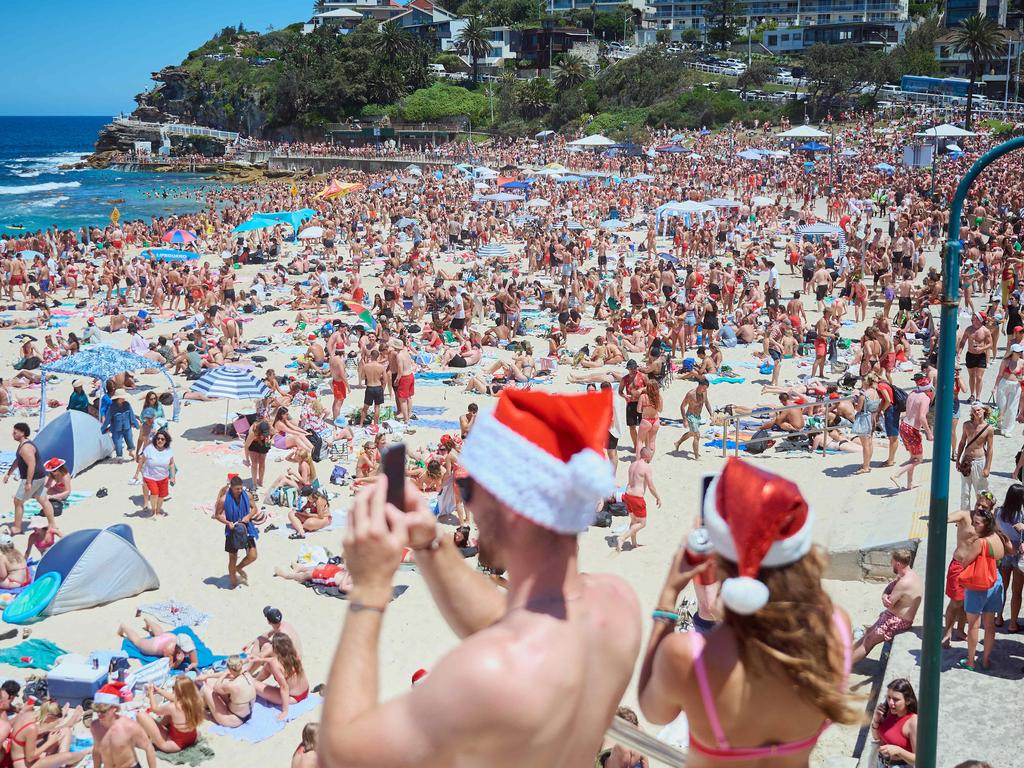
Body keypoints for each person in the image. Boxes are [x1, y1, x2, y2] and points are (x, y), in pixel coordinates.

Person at [319, 389, 642, 768]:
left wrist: (370, 588)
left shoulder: (488, 672)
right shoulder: (616, 603)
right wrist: (429, 544)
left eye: (471, 489)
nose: (467, 504)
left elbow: (341, 754)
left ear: (509, 507)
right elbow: (512, 620)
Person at [638, 459, 858, 763]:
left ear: (718, 551)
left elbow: (653, 711)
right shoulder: (837, 628)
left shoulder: (688, 656)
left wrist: (668, 595)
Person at [951, 503, 1007, 671]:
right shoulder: (998, 537)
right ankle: (986, 660)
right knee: (990, 625)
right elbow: (1005, 553)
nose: (973, 526)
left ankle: (970, 661)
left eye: (977, 523)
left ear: (986, 525)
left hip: (978, 585)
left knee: (974, 625)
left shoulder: (979, 542)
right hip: (995, 581)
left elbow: (966, 560)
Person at [851, 548, 922, 663]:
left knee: (868, 641)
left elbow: (888, 604)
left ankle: (841, 669)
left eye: (892, 561)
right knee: (868, 632)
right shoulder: (909, 575)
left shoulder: (903, 583)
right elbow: (890, 589)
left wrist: (884, 596)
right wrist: (885, 594)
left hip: (897, 621)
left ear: (898, 564)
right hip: (893, 617)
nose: (890, 564)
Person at [4, 422, 56, 535]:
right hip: (40, 476)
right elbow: (18, 460)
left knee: (18, 501)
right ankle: (52, 525)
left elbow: (31, 465)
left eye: (15, 432)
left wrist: (28, 482)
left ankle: (17, 528)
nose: (13, 434)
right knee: (43, 500)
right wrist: (9, 473)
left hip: (34, 478)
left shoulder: (26, 448)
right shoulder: (23, 445)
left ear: (22, 433)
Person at [90, 686, 156, 768]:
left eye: (103, 711)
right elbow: (96, 751)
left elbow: (149, 748)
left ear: (114, 708)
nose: (99, 715)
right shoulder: (95, 726)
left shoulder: (130, 727)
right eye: (97, 711)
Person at [250, 633, 309, 721]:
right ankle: (258, 681)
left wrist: (285, 711)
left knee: (252, 683)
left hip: (293, 697)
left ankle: (256, 683)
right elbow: (273, 661)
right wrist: (261, 659)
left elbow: (284, 687)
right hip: (305, 691)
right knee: (267, 666)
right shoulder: (294, 654)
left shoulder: (275, 663)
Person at [137, 677, 204, 753]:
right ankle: (160, 727)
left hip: (174, 745)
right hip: (193, 738)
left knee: (141, 715)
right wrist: (159, 690)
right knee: (171, 710)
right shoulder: (196, 700)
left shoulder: (172, 707)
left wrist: (151, 694)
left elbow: (155, 710)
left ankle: (147, 735)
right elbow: (175, 698)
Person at [891, 375, 933, 492]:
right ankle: (897, 475)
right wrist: (929, 433)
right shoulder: (925, 398)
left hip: (904, 425)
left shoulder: (912, 393)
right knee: (918, 459)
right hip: (912, 429)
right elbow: (922, 417)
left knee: (913, 457)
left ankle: (910, 483)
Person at [216, 476, 259, 588]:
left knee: (253, 555)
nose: (240, 491)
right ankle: (233, 582)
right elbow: (217, 515)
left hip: (246, 528)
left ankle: (239, 568)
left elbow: (255, 509)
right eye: (237, 489)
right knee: (232, 557)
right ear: (231, 487)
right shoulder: (223, 500)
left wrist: (248, 516)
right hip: (232, 530)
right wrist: (227, 522)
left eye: (241, 488)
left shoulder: (247, 495)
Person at [616, 447, 661, 552]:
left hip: (627, 495)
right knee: (642, 523)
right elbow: (651, 486)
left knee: (634, 521)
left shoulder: (632, 465)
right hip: (636, 497)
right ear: (648, 456)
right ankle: (622, 538)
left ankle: (634, 543)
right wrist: (658, 497)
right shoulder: (646, 467)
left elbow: (630, 482)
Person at [995, 483, 1024, 632]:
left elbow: (995, 529)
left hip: (1005, 551)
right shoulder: (1022, 515)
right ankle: (1013, 623)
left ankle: (998, 617)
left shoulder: (998, 512)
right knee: (1017, 591)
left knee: (1002, 588)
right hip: (1019, 555)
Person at [117, 619, 198, 672]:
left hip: (169, 637)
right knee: (138, 642)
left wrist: (193, 664)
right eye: (185, 651)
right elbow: (170, 666)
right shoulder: (169, 650)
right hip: (157, 645)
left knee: (160, 633)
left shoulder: (188, 644)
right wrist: (178, 661)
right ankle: (124, 627)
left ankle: (148, 621)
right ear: (178, 647)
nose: (187, 653)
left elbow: (193, 656)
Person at [197, 656, 256, 728]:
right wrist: (207, 676)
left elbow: (216, 687)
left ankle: (200, 707)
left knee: (205, 688)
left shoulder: (233, 685)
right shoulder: (246, 674)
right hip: (246, 714)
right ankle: (208, 705)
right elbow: (230, 675)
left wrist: (224, 674)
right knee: (214, 682)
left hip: (233, 720)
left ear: (229, 668)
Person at [870, 678, 918, 767]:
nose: (891, 703)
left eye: (896, 699)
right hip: (881, 763)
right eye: (888, 697)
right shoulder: (889, 712)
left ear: (907, 701)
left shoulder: (913, 722)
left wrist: (898, 751)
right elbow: (876, 737)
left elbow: (918, 760)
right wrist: (876, 720)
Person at [955, 402, 993, 510]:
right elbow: (962, 442)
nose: (976, 412)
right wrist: (958, 460)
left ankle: (982, 514)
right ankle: (965, 515)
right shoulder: (967, 425)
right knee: (965, 491)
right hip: (966, 460)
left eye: (978, 410)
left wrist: (987, 468)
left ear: (984, 410)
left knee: (981, 491)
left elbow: (990, 449)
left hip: (979, 461)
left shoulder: (988, 429)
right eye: (974, 410)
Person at [132, 430, 176, 519]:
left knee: (162, 495)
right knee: (155, 493)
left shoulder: (168, 450)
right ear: (155, 439)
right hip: (150, 476)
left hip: (163, 477)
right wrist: (136, 474)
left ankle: (158, 511)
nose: (160, 440)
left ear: (166, 441)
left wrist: (173, 477)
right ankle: (153, 511)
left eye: (162, 439)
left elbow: (171, 464)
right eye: (158, 438)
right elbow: (141, 461)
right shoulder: (149, 449)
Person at [673, 378, 712, 459]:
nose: (704, 390)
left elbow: (707, 402)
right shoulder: (691, 394)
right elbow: (682, 406)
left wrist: (711, 414)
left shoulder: (704, 392)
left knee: (692, 433)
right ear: (699, 385)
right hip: (690, 416)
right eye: (704, 388)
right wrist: (684, 419)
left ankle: (678, 443)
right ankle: (696, 457)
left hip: (698, 417)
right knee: (697, 435)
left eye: (706, 389)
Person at [101, 389, 140, 462]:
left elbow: (131, 415)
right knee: (118, 443)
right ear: (118, 398)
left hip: (127, 427)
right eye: (123, 397)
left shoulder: (127, 404)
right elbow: (108, 419)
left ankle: (131, 452)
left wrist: (136, 425)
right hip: (116, 429)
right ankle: (119, 457)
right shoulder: (112, 407)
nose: (124, 398)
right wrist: (103, 429)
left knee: (129, 440)